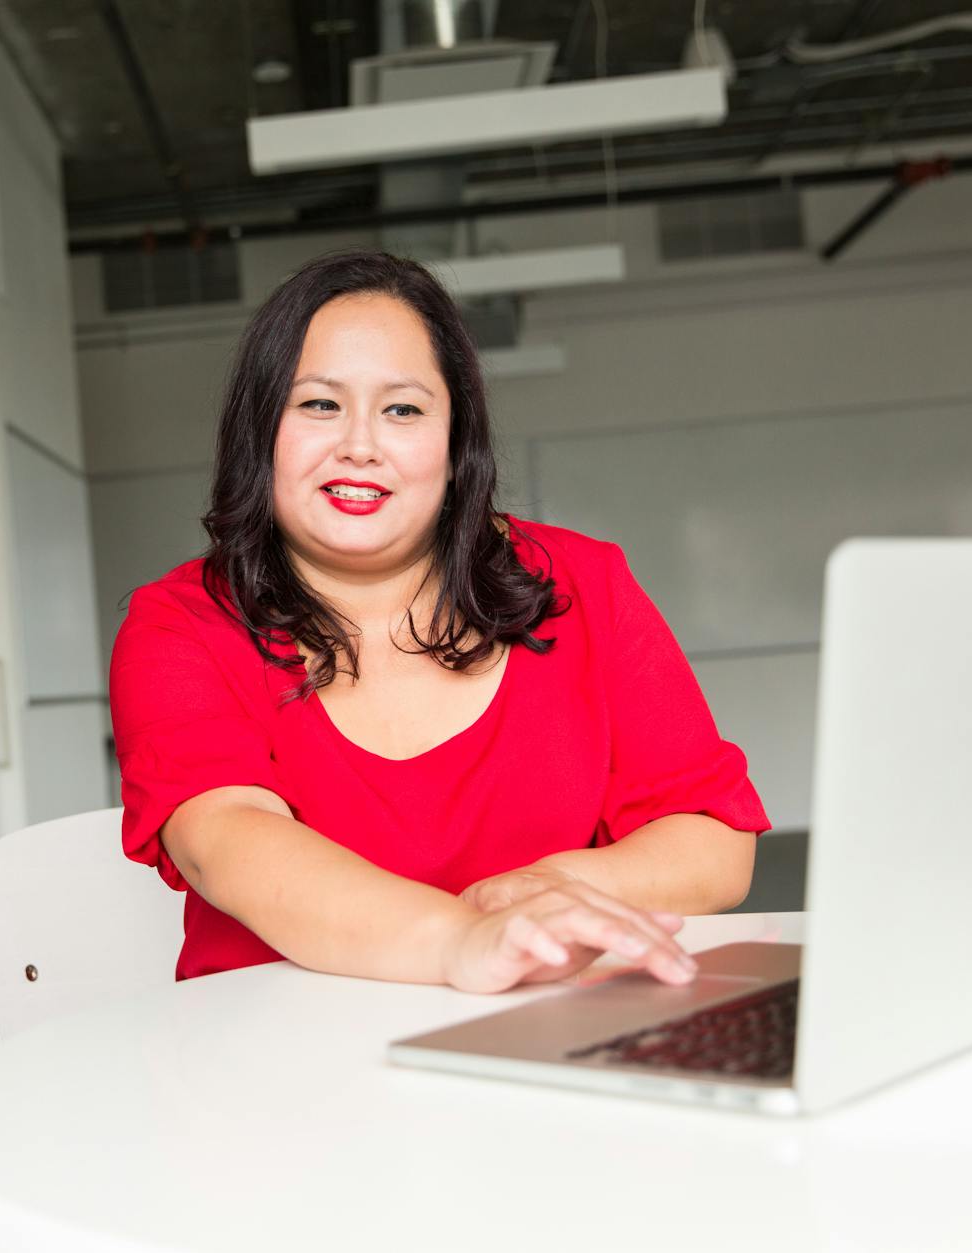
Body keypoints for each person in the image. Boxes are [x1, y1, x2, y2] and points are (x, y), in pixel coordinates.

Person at [109, 250, 770, 993]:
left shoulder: (584, 584)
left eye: (403, 409)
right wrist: (461, 938)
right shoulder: (180, 626)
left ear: (457, 446)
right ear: (259, 430)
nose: (360, 444)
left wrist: (528, 899)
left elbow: (713, 844)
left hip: (544, 1037)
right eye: (319, 404)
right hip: (282, 1070)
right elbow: (227, 841)